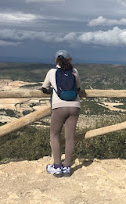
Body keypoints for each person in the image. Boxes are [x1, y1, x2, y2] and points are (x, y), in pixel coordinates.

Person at [42, 49, 81, 177]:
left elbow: (44, 88)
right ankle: (67, 167)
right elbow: (79, 88)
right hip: (75, 106)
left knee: (54, 135)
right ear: (69, 60)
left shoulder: (52, 72)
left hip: (59, 107)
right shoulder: (74, 71)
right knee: (70, 137)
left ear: (55, 60)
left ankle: (57, 166)